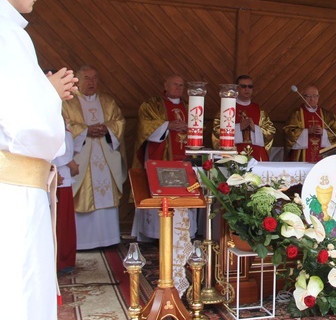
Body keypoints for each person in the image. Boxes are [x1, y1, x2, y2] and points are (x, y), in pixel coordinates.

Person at [0, 0, 77, 320]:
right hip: (14, 193)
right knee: (21, 299)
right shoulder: (7, 33)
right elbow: (29, 127)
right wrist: (48, 96)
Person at [63, 65, 127, 249]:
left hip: (104, 157)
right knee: (83, 195)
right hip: (82, 158)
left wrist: (107, 128)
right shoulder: (68, 102)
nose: (91, 82)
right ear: (77, 80)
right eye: (87, 78)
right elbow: (65, 125)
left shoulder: (108, 101)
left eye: (95, 78)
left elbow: (119, 122)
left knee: (105, 195)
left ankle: (108, 239)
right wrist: (85, 131)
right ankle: (83, 242)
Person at [132, 74, 197, 241]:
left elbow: (199, 127)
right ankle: (156, 234)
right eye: (175, 84)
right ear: (165, 85)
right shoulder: (152, 104)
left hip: (184, 158)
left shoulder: (191, 106)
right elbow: (145, 127)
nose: (178, 87)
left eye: (181, 85)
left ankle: (183, 232)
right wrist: (168, 125)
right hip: (161, 157)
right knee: (161, 191)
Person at [212, 74, 275, 160]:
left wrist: (255, 129)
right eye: (243, 86)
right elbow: (217, 129)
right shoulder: (227, 109)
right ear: (237, 88)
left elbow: (270, 131)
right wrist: (239, 127)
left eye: (250, 86)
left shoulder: (260, 111)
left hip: (257, 154)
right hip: (233, 153)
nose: (247, 89)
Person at [283, 85, 336, 162]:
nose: (312, 99)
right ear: (303, 97)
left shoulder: (328, 116)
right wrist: (307, 131)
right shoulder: (296, 114)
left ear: (318, 97)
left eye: (315, 96)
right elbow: (289, 132)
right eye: (308, 96)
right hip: (301, 156)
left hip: (322, 156)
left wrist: (324, 132)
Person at [52, 125, 80, 272]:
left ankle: (65, 259)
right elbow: (56, 146)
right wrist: (71, 164)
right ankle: (60, 261)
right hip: (58, 175)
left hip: (63, 175)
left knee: (65, 221)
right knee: (60, 221)